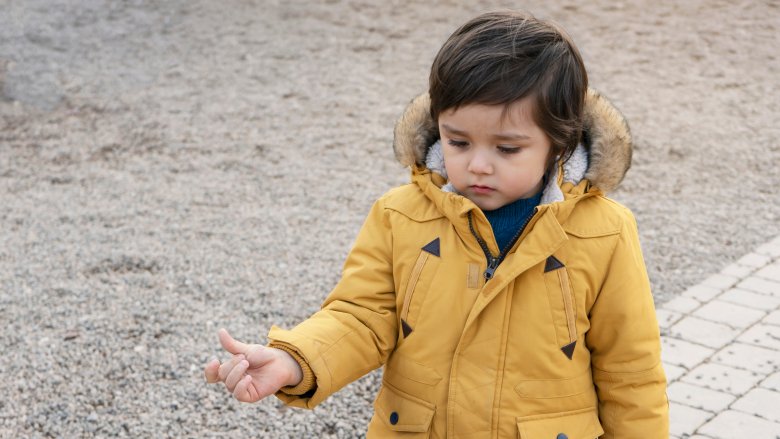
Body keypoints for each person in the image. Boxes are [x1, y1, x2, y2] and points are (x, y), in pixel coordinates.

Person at [204, 10, 669, 438]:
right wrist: (294, 358)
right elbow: (362, 316)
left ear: (560, 142)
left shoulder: (604, 232)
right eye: (458, 141)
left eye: (507, 149)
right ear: (438, 125)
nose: (478, 165)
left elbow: (630, 372)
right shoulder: (400, 214)